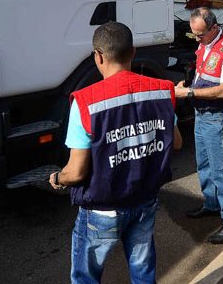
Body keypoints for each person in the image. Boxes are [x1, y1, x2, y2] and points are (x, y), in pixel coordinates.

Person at [50, 21, 182, 284]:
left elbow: (76, 173)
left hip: (103, 209)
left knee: (86, 277)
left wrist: (57, 178)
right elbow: (176, 143)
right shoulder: (161, 90)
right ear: (133, 52)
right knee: (143, 272)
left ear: (98, 56)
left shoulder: (86, 102)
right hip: (145, 200)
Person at [174, 7, 223, 244]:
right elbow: (203, 74)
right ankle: (213, 204)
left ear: (214, 28)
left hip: (217, 117)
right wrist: (187, 85)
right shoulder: (205, 44)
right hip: (201, 114)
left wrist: (189, 92)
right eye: (193, 34)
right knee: (204, 165)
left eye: (200, 35)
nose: (197, 39)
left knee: (222, 170)